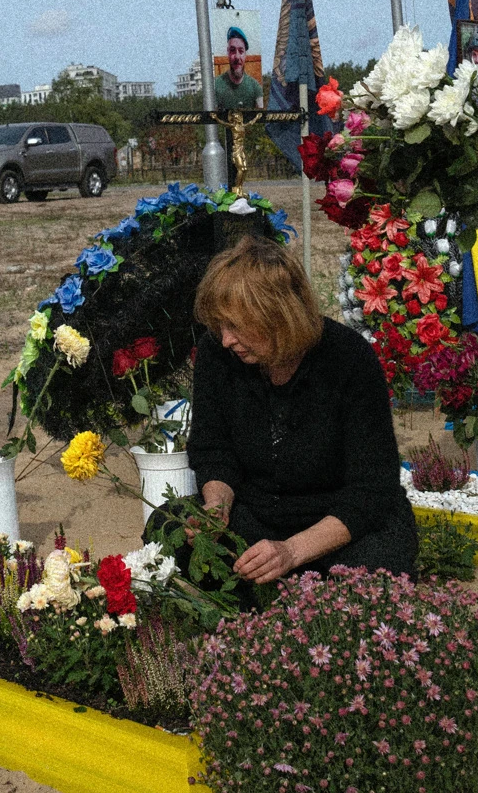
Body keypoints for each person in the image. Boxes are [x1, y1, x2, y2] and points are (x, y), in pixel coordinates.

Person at [162, 234, 417, 585]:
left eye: (235, 325)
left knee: (374, 575)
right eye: (220, 325)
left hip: (336, 525)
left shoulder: (348, 359)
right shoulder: (217, 355)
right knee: (167, 527)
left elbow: (372, 489)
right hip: (257, 514)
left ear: (276, 316)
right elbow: (213, 448)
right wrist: (216, 508)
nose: (225, 339)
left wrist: (291, 552)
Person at [214, 27, 262, 110]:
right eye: (232, 50)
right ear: (228, 53)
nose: (237, 57)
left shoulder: (255, 87)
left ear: (245, 55)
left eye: (241, 51)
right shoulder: (216, 86)